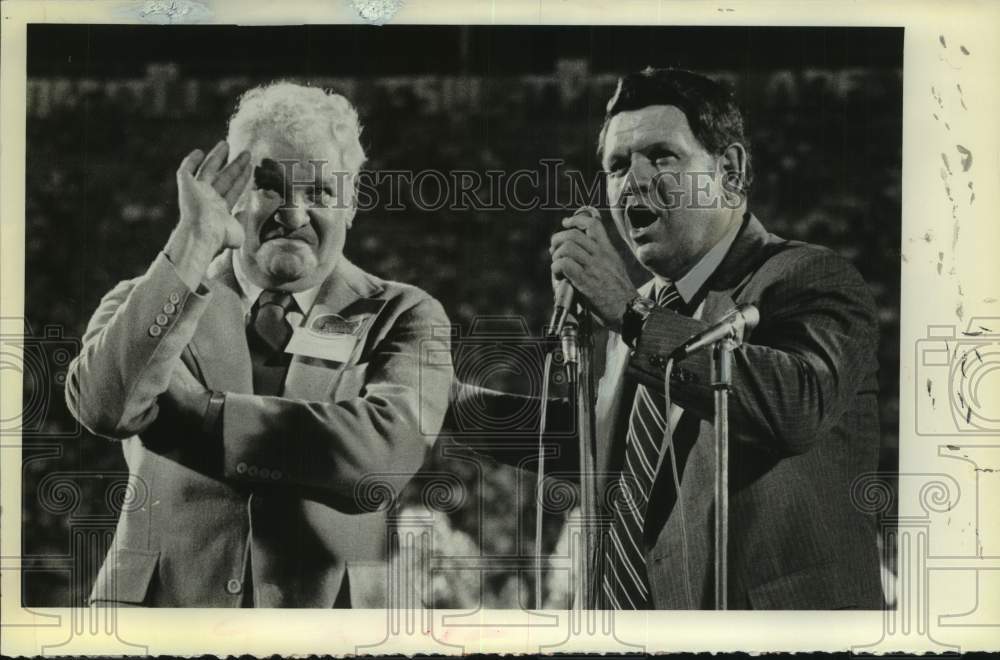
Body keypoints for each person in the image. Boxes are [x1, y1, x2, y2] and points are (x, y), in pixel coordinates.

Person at [452, 67, 883, 609]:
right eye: (615, 166)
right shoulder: (642, 317)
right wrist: (445, 403)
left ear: (729, 170)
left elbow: (794, 406)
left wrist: (628, 314)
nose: (631, 181)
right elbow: (602, 452)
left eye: (661, 156)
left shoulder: (806, 278)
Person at [66, 82, 453, 607]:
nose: (293, 214)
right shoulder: (149, 297)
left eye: (319, 192)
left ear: (351, 205)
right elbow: (103, 406)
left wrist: (197, 414)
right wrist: (193, 242)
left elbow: (379, 460)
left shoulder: (402, 314)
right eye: (269, 187)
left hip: (323, 626)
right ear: (232, 193)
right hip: (160, 620)